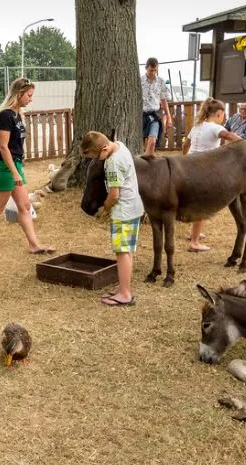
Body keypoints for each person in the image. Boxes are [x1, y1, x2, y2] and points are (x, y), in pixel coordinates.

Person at [0, 77, 54, 259]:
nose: (30, 99)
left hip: (14, 165)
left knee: (24, 206)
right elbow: (3, 147)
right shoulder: (5, 115)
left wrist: (17, 167)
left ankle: (34, 245)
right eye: (29, 95)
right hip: (3, 167)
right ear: (18, 94)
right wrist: (14, 171)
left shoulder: (18, 116)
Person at [80, 131, 144, 307]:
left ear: (105, 148)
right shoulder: (121, 147)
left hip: (123, 211)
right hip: (134, 207)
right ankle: (124, 288)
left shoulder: (113, 163)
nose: (97, 160)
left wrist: (105, 210)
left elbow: (114, 194)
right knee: (127, 250)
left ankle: (125, 294)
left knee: (121, 252)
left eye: (96, 156)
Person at [182, 98, 242, 252]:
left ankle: (193, 233)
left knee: (194, 202)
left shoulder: (197, 126)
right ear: (219, 113)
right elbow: (230, 136)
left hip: (187, 166)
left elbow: (185, 145)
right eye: (224, 115)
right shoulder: (215, 128)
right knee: (203, 205)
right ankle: (194, 242)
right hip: (202, 169)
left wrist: (185, 158)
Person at [140, 57, 172, 155]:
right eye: (151, 70)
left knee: (153, 141)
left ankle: (148, 162)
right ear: (146, 68)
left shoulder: (160, 81)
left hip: (154, 115)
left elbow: (163, 100)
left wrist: (169, 118)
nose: (153, 72)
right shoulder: (140, 80)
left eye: (155, 70)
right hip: (141, 115)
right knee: (140, 142)